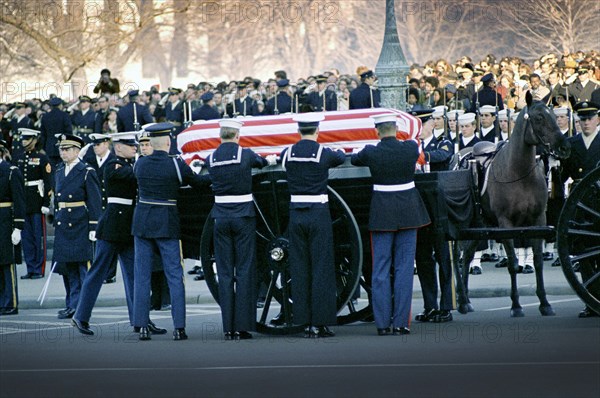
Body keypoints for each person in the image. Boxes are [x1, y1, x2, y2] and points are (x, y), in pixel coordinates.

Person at [72, 132, 167, 335]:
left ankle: (140, 319)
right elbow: (132, 176)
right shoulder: (113, 165)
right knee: (97, 272)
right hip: (113, 227)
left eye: (135, 145)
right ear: (118, 147)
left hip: (127, 227)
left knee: (135, 276)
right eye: (130, 145)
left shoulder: (129, 165)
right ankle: (80, 316)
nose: (135, 148)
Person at [351, 114, 431, 335]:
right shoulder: (409, 149)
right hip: (408, 214)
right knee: (404, 269)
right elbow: (418, 146)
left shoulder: (371, 151)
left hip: (382, 215)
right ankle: (401, 323)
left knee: (380, 270)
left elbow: (356, 159)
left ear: (377, 131)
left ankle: (382, 324)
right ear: (396, 129)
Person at [131, 122, 210, 341]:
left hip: (143, 222)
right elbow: (198, 183)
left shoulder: (140, 164)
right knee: (175, 275)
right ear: (168, 142)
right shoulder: (175, 164)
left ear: (152, 143)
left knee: (142, 276)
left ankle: (142, 325)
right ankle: (179, 327)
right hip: (166, 222)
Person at [205, 119, 272, 340]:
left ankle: (228, 328)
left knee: (224, 272)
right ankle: (243, 326)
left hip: (220, 218)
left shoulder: (211, 158)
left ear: (221, 136)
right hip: (243, 217)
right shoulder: (245, 154)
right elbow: (262, 162)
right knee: (244, 270)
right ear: (237, 136)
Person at [280, 113, 345, 338]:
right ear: (317, 131)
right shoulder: (323, 153)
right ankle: (320, 322)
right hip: (318, 214)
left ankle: (303, 321)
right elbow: (340, 156)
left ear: (298, 132)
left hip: (295, 215)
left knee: (299, 269)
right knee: (321, 268)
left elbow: (280, 159)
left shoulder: (287, 153)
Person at [52, 134, 102, 320]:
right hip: (64, 222)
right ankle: (71, 304)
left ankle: (82, 306)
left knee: (82, 268)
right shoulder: (59, 170)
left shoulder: (86, 171)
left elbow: (95, 201)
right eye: (61, 149)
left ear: (76, 150)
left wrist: (93, 227)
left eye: (66, 149)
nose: (63, 153)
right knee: (68, 267)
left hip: (80, 222)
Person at [411, 111, 453, 323]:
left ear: (432, 123)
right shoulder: (411, 145)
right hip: (420, 209)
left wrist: (422, 155)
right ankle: (430, 306)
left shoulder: (441, 143)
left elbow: (442, 156)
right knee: (424, 259)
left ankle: (446, 306)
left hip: (439, 208)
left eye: (421, 123)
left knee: (444, 258)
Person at [561, 102, 600, 318]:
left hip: (599, 202)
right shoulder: (571, 143)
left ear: (597, 120)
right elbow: (563, 175)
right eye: (582, 119)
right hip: (580, 203)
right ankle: (591, 300)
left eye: (590, 118)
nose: (586, 123)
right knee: (584, 254)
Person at [12, 129, 51, 280]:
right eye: (22, 138)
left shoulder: (41, 158)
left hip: (37, 201)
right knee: (26, 237)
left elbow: (48, 182)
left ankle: (38, 268)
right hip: (24, 201)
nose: (23, 141)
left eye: (27, 138)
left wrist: (46, 202)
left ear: (34, 140)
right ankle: (30, 267)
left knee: (37, 237)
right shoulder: (18, 158)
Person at [0, 139, 25, 316]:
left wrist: (18, 227)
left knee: (7, 264)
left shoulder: (10, 171)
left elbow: (19, 200)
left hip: (5, 220)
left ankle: (10, 302)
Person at [40, 97, 72, 172]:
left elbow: (43, 134)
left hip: (49, 147)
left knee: (51, 170)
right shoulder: (65, 115)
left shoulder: (45, 116)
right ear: (60, 105)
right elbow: (69, 132)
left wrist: (43, 147)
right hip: (63, 146)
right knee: (63, 169)